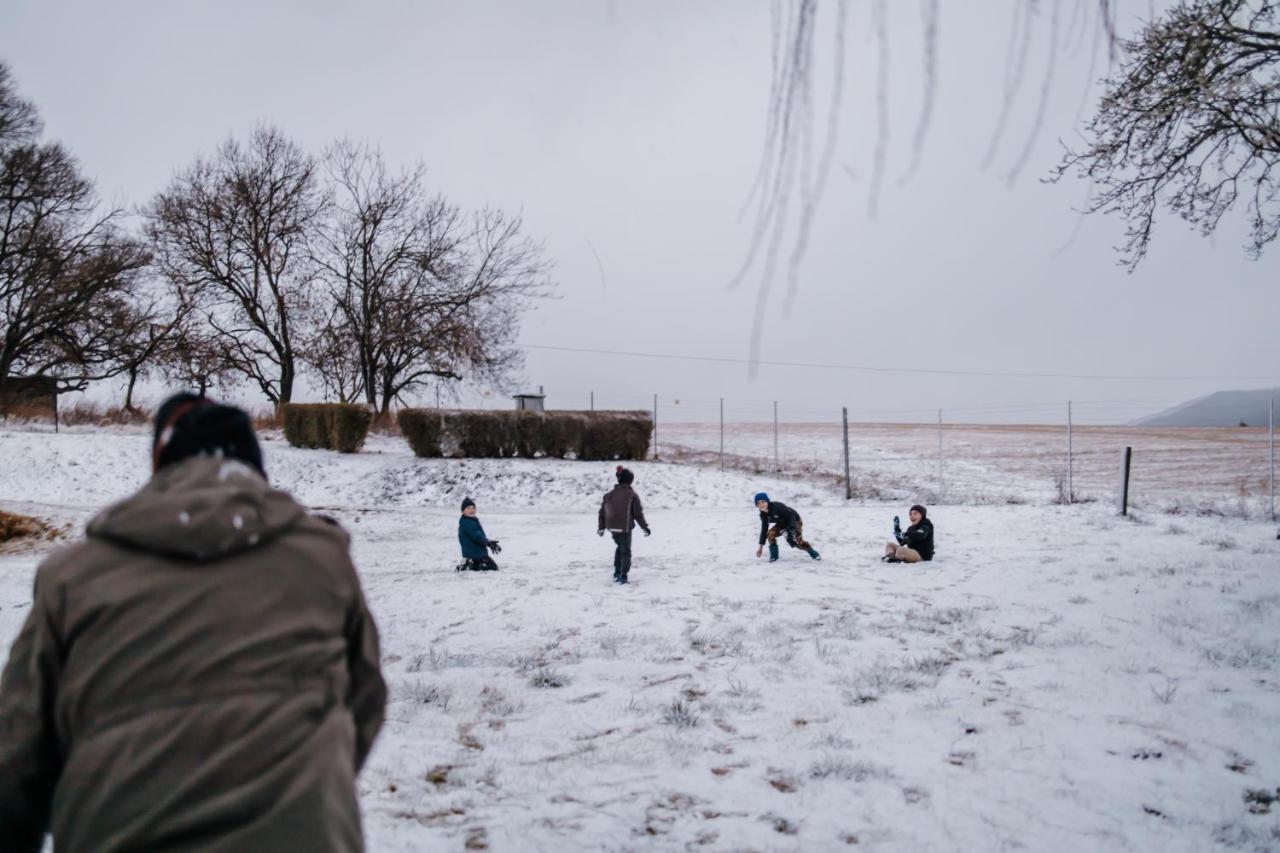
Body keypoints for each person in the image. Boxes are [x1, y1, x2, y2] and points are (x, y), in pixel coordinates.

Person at [0, 392, 387, 853]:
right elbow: (363, 702)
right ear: (254, 469)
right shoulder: (321, 560)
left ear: (161, 466)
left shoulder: (72, 577)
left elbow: (18, 756)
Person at [597, 465, 651, 584]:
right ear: (630, 481)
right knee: (626, 551)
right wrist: (645, 527)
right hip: (625, 528)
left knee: (620, 548)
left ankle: (617, 572)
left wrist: (601, 527)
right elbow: (637, 514)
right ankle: (623, 575)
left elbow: (602, 513)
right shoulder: (631, 495)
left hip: (611, 527)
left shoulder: (609, 495)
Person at [754, 492, 821, 562]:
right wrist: (760, 548)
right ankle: (774, 556)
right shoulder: (763, 515)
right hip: (781, 523)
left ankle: (814, 554)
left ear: (767, 501)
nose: (761, 504)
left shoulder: (777, 507)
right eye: (758, 503)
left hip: (795, 521)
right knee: (770, 533)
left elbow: (791, 516)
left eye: (763, 502)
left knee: (797, 542)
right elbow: (764, 530)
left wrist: (790, 532)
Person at [457, 496, 501, 571]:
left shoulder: (470, 521)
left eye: (473, 508)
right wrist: (488, 543)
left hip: (476, 554)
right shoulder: (468, 522)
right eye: (468, 508)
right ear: (463, 511)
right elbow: (477, 536)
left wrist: (488, 541)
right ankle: (467, 564)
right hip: (476, 555)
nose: (472, 510)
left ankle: (467, 564)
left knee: (491, 568)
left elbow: (478, 536)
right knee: (492, 568)